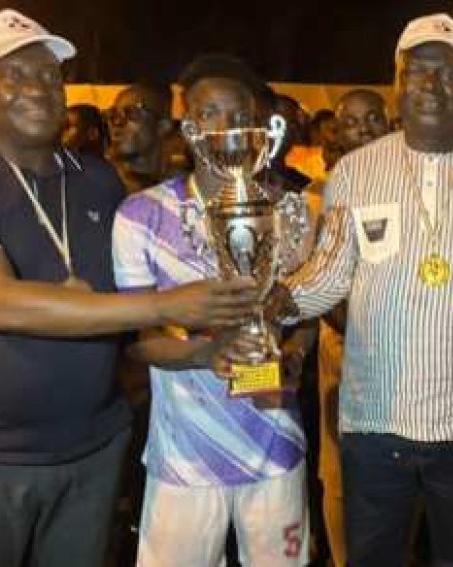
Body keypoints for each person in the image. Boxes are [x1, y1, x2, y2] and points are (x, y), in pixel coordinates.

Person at [0, 11, 259, 567]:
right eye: (14, 74)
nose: (39, 87)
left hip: (93, 450)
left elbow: (128, 317)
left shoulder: (97, 179)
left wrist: (208, 344)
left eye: (49, 74)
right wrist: (166, 304)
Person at [279, 13, 453, 565]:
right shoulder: (355, 173)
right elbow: (329, 273)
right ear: (399, 81)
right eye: (420, 71)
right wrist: (278, 301)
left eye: (449, 72)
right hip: (373, 420)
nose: (433, 85)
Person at [112, 53, 311, 567]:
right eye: (207, 112)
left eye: (236, 113)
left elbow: (301, 320)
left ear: (258, 124)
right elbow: (139, 341)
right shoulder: (141, 215)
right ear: (187, 125)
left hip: (274, 443)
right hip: (186, 457)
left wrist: (294, 350)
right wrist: (207, 353)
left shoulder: (289, 209)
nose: (224, 126)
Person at [313, 87, 389, 567]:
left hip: (407, 351)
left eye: (373, 119)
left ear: (390, 124)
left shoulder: (415, 183)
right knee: (341, 474)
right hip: (343, 346)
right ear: (336, 132)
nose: (363, 130)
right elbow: (313, 280)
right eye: (351, 122)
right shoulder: (320, 195)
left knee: (402, 466)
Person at [107, 83, 173, 193]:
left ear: (163, 126)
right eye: (113, 115)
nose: (117, 123)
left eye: (132, 113)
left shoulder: (183, 190)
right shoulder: (100, 184)